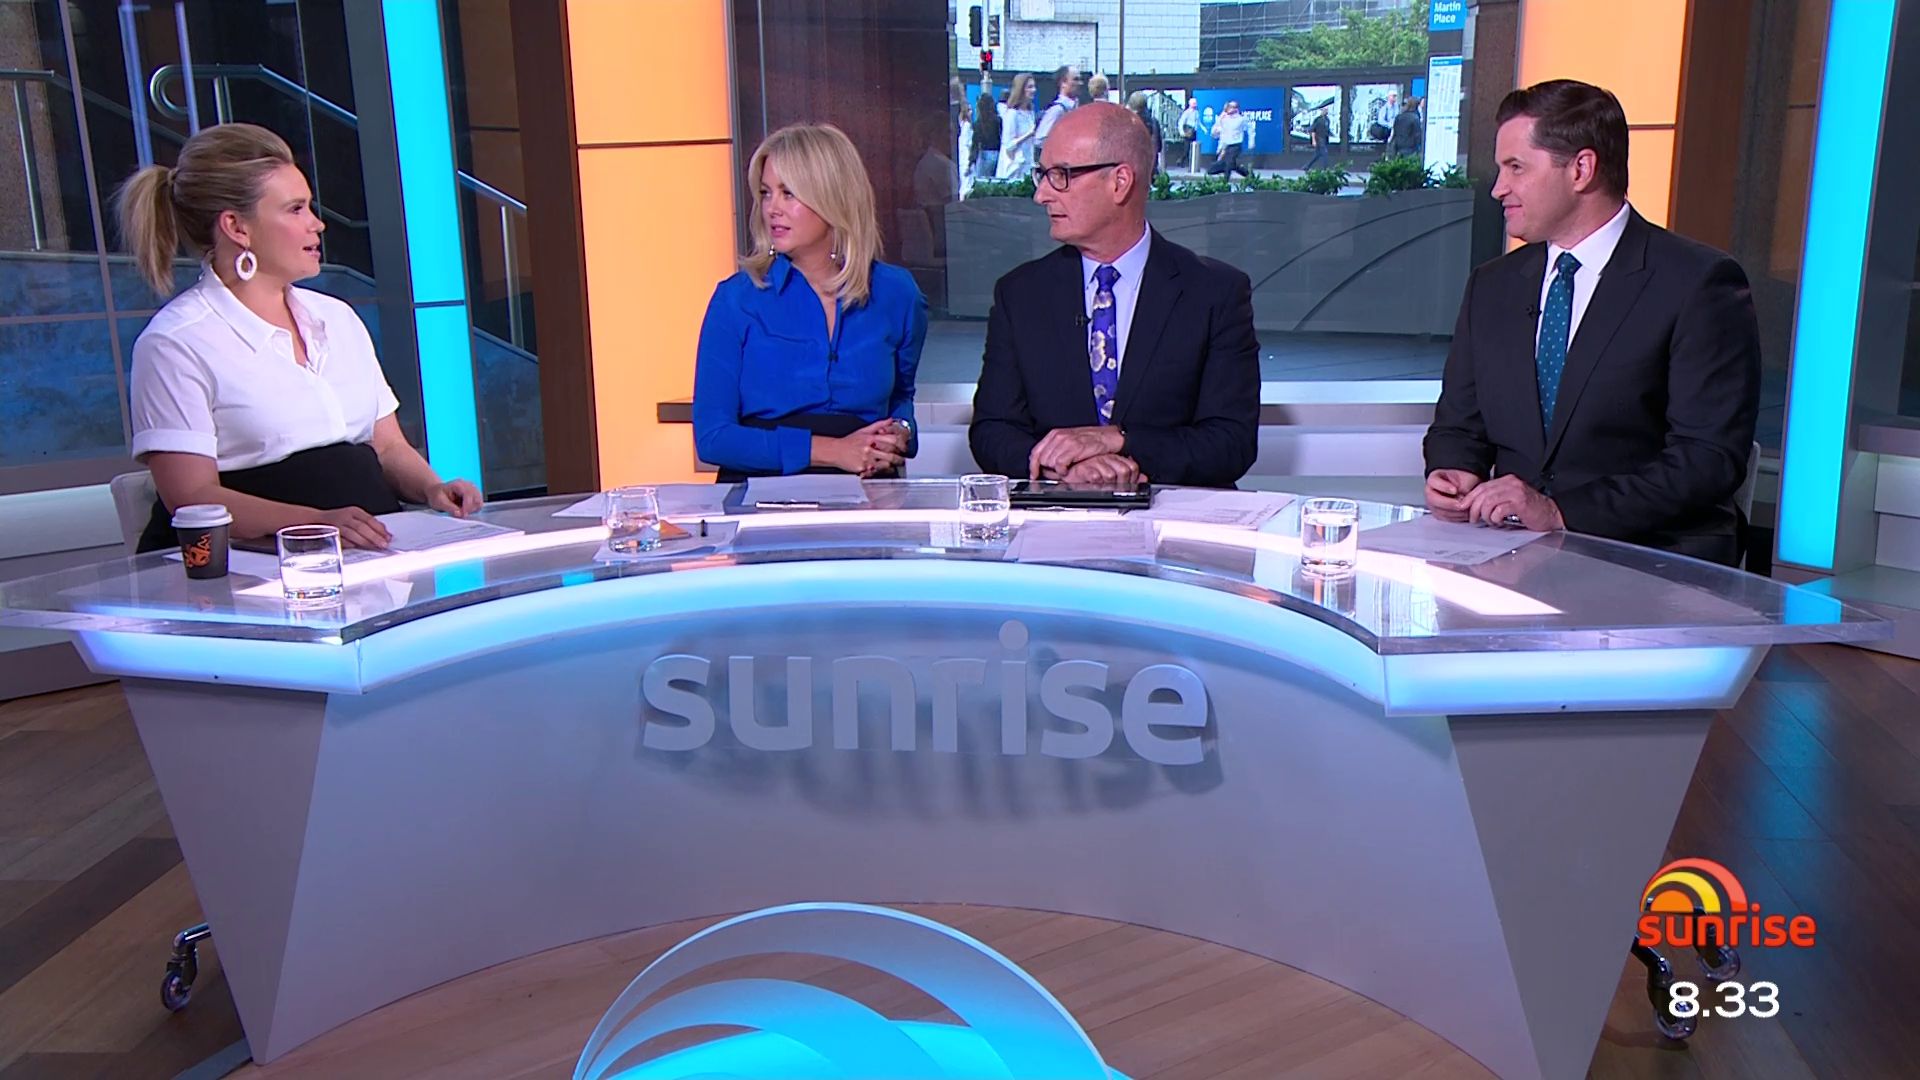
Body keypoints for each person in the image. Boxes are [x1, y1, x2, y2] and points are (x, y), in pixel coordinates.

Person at [1423, 79, 1762, 566]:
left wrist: (1560, 512)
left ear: (1581, 169)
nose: (1498, 188)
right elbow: (1459, 425)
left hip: (1652, 559)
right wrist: (1454, 470)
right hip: (1514, 556)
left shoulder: (1698, 283)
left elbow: (1707, 458)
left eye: (1516, 167)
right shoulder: (1492, 286)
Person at [117, 123, 482, 553]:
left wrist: (432, 488)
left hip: (372, 553)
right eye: (295, 210)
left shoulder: (338, 319)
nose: (317, 224)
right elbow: (192, 497)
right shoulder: (176, 343)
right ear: (236, 227)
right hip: (248, 566)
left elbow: (387, 447)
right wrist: (315, 524)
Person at [970, 103, 1259, 488]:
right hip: (1056, 517)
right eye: (1043, 174)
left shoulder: (1214, 293)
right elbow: (992, 431)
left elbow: (1231, 443)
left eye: (1060, 176)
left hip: (1174, 517)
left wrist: (1121, 441)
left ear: (1120, 181)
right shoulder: (1020, 294)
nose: (1041, 194)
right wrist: (1064, 467)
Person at [694, 123, 926, 481]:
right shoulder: (736, 300)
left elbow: (901, 397)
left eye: (789, 193)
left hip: (868, 491)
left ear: (833, 198)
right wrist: (831, 451)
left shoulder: (896, 293)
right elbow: (712, 438)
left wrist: (901, 431)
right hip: (762, 491)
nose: (772, 208)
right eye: (766, 193)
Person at [1034, 65, 1081, 161]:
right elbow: (1039, 140)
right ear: (1063, 82)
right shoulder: (1057, 110)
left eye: (1080, 79)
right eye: (1075, 79)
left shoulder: (1074, 108)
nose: (1080, 83)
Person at [997, 73, 1038, 179]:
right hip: (1014, 169)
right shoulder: (1012, 114)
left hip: (1028, 167)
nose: (1034, 90)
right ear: (1021, 89)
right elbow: (1008, 145)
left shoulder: (1030, 113)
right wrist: (1029, 134)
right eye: (1030, 87)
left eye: (1034, 86)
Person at [1207, 100, 1253, 180]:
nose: (1228, 108)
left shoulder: (1241, 119)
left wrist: (1251, 142)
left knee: (1228, 165)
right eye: (1228, 106)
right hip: (1225, 147)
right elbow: (1214, 133)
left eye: (1231, 107)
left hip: (1235, 145)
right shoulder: (1224, 119)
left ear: (1236, 109)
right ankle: (1249, 175)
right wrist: (1220, 119)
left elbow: (1250, 129)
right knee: (1215, 169)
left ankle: (1225, 182)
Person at [1126, 91, 1164, 177]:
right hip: (1150, 169)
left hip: (1130, 170)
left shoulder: (1127, 122)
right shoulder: (1154, 122)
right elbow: (1159, 147)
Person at [970, 91, 1002, 182]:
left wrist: (971, 161)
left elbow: (975, 143)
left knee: (983, 181)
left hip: (984, 154)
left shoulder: (978, 123)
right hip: (998, 153)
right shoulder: (998, 120)